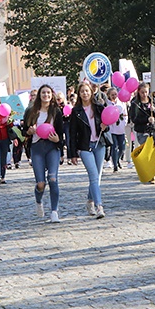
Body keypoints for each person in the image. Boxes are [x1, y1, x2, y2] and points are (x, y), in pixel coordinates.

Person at [23, 85, 64, 223]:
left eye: (48, 93)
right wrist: (29, 131)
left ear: (51, 95)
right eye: (43, 93)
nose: (46, 95)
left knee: (53, 179)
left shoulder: (56, 112)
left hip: (52, 147)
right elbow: (24, 131)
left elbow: (61, 132)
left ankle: (54, 212)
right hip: (37, 148)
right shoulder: (31, 111)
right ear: (39, 95)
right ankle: (38, 201)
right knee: (41, 184)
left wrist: (58, 141)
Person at [69, 82, 109, 219]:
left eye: (87, 91)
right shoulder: (76, 111)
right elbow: (72, 134)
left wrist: (105, 126)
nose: (85, 93)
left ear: (91, 92)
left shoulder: (99, 107)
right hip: (85, 146)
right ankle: (99, 206)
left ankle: (90, 201)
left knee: (97, 177)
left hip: (99, 144)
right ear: (79, 94)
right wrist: (72, 154)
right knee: (93, 176)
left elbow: (107, 124)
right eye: (82, 92)